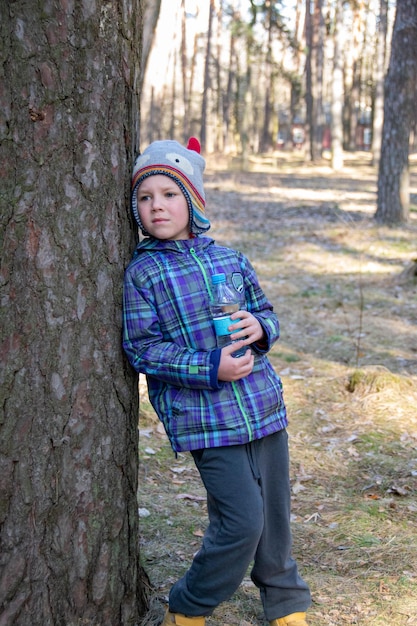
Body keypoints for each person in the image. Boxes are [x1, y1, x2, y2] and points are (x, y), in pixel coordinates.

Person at [122, 138, 311, 626]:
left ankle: (286, 599)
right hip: (207, 419)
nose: (156, 206)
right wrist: (210, 367)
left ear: (193, 201)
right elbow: (142, 348)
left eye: (169, 194)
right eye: (145, 198)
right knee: (242, 522)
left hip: (263, 407)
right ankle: (188, 606)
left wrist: (260, 328)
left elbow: (266, 311)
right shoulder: (142, 274)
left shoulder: (231, 258)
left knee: (274, 517)